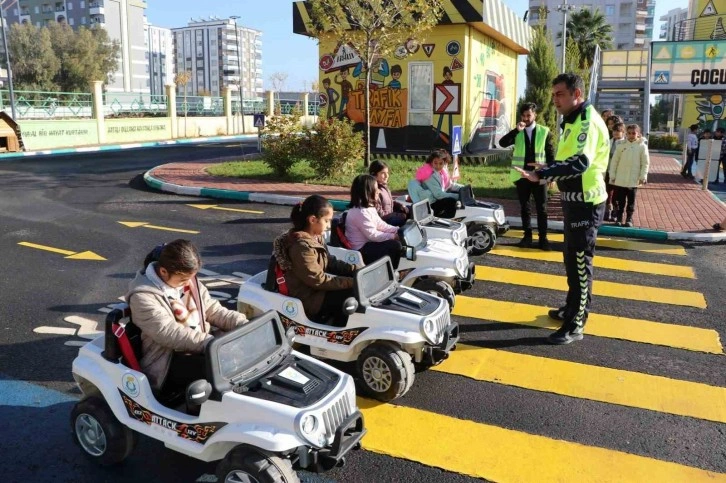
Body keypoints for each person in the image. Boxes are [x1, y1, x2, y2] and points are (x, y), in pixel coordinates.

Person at [514, 73, 609, 345]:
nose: (554, 99)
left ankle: (576, 323)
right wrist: (549, 168)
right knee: (570, 258)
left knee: (579, 263)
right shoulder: (573, 118)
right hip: (573, 199)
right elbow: (568, 159)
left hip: (586, 203)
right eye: (554, 94)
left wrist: (544, 176)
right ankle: (571, 307)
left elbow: (580, 163)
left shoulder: (587, 122)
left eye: (560, 94)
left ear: (576, 94)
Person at [127, 239, 248, 393]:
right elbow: (169, 333)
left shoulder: (187, 280)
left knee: (239, 357)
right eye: (183, 279)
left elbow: (211, 309)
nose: (188, 283)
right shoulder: (142, 296)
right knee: (223, 370)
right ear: (163, 272)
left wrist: (241, 323)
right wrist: (211, 343)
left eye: (191, 278)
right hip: (167, 361)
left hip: (198, 346)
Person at [272, 195, 358, 324]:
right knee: (352, 294)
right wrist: (352, 282)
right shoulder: (301, 247)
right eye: (327, 221)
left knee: (356, 289)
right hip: (309, 298)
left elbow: (330, 261)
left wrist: (358, 271)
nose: (329, 225)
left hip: (317, 290)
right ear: (313, 220)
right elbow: (318, 280)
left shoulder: (316, 237)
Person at [499, 102, 555, 249]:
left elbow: (550, 156)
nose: (526, 118)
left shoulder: (545, 131)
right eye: (523, 115)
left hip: (539, 175)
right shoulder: (518, 132)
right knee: (525, 207)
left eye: (528, 115)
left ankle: (543, 239)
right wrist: (515, 131)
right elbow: (502, 143)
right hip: (521, 176)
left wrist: (551, 176)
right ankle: (527, 237)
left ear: (535, 115)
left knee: (542, 208)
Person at [346, 174, 403, 268]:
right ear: (367, 191)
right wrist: (393, 236)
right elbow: (373, 235)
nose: (378, 191)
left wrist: (397, 230)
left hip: (369, 243)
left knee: (399, 241)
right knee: (395, 246)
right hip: (361, 249)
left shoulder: (369, 207)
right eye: (376, 189)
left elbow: (380, 224)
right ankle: (392, 272)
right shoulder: (360, 212)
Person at [609, 124, 650, 227]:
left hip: (633, 180)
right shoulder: (621, 145)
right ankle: (618, 218)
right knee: (620, 201)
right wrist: (612, 175)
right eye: (629, 133)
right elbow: (614, 162)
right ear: (626, 134)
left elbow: (645, 163)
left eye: (634, 133)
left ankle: (629, 219)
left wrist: (643, 177)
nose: (631, 135)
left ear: (638, 134)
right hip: (620, 179)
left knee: (631, 201)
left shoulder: (642, 146)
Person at [408, 149, 462, 218]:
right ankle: (444, 221)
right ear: (431, 162)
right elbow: (438, 195)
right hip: (429, 204)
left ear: (444, 163)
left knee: (451, 198)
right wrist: (458, 196)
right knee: (450, 202)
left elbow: (450, 185)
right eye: (435, 163)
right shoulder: (429, 175)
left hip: (436, 199)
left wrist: (462, 188)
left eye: (441, 163)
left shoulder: (442, 172)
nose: (438, 166)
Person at [369, 160, 409, 226]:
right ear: (374, 174)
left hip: (391, 216)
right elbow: (379, 214)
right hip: (384, 222)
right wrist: (397, 215)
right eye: (383, 173)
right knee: (408, 221)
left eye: (387, 173)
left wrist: (399, 206)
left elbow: (388, 202)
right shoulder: (375, 190)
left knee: (410, 209)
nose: (386, 176)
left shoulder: (384, 187)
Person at [605, 122, 626, 221]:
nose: (616, 133)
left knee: (617, 193)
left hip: (619, 172)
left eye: (618, 131)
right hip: (608, 170)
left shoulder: (624, 144)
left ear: (623, 132)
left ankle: (615, 212)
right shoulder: (608, 141)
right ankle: (608, 210)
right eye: (614, 131)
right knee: (608, 191)